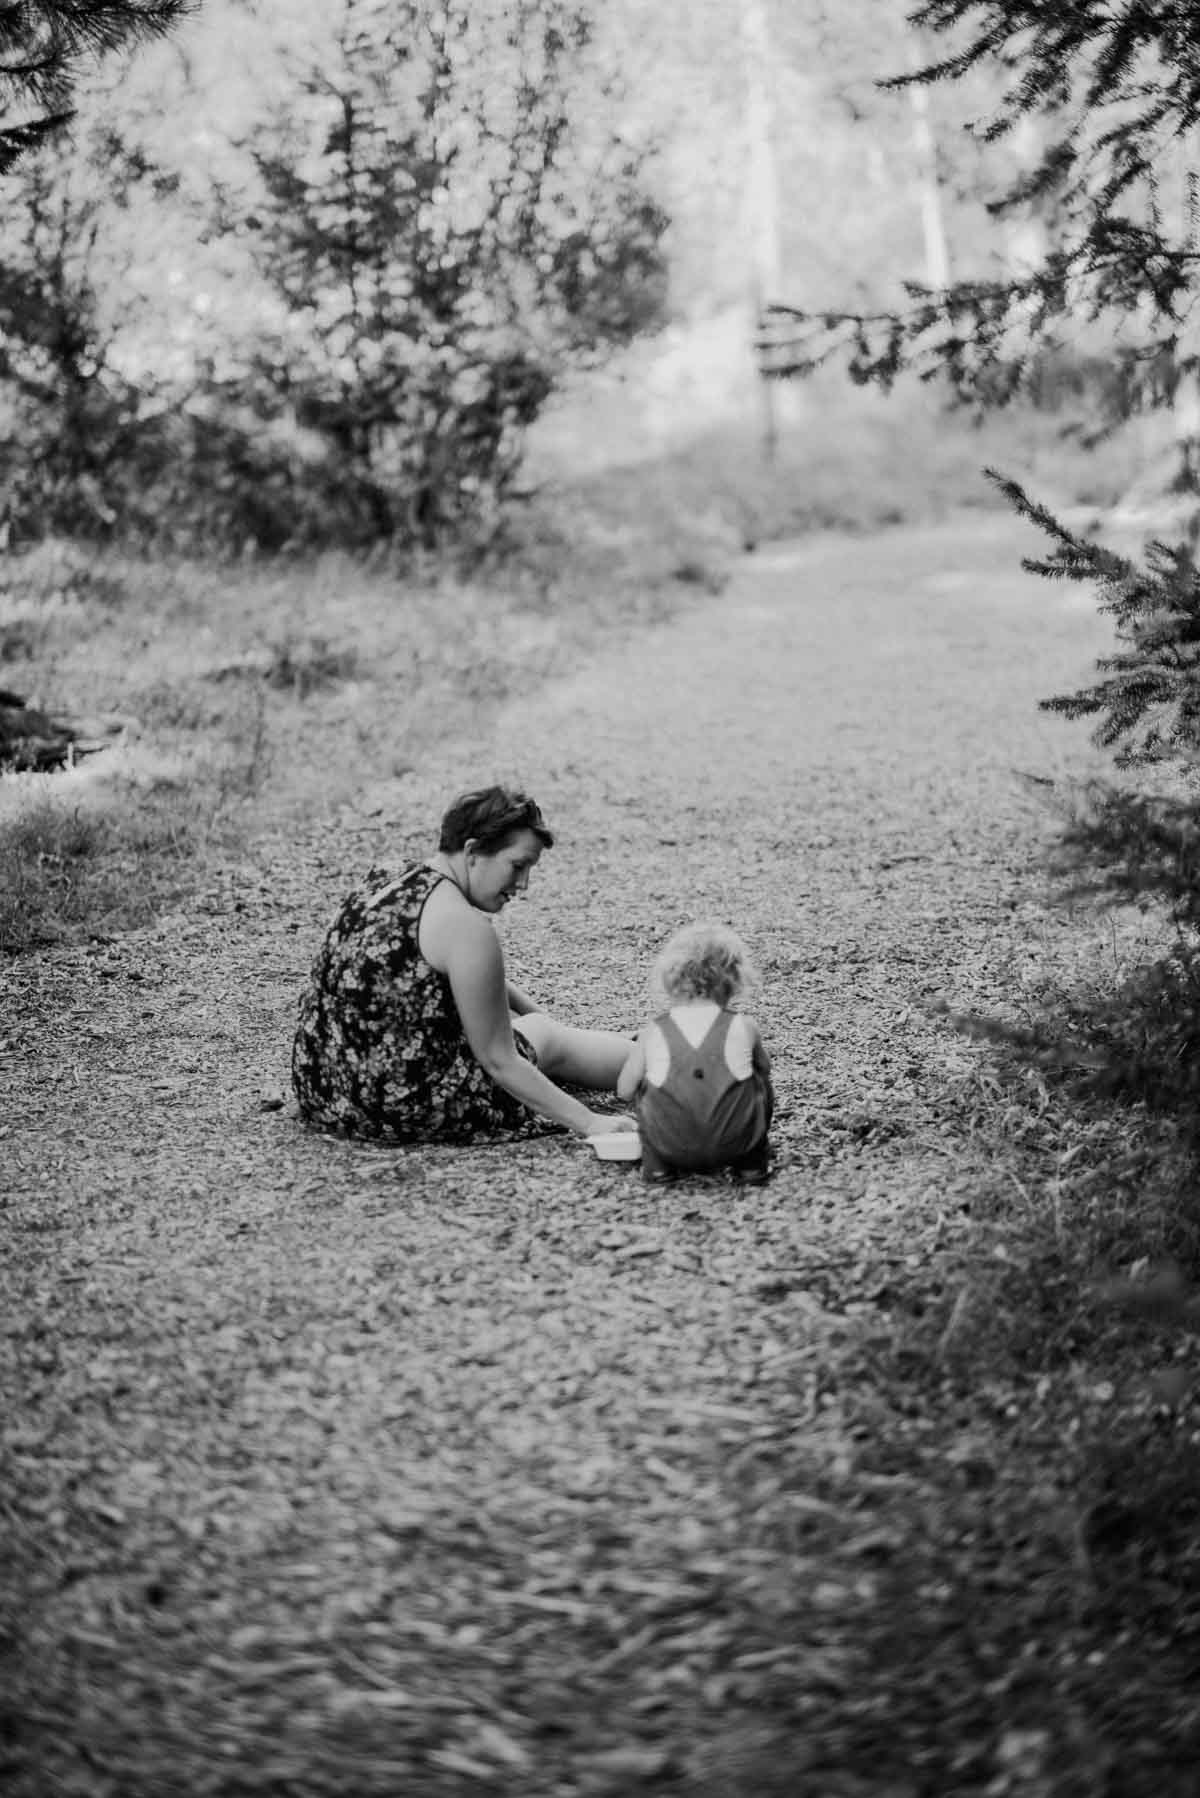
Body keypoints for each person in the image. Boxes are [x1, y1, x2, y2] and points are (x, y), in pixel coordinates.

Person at [291, 785, 638, 1143]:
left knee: (539, 1025)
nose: (524, 885)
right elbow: (498, 1060)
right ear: (473, 851)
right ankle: (663, 1060)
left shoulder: (389, 875)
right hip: (406, 1107)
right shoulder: (467, 928)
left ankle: (623, 1048)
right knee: (545, 1039)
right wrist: (591, 1123)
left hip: (326, 1088)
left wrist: (544, 1017)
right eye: (518, 866)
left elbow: (475, 983)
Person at [617, 922, 774, 1184]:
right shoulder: (744, 1026)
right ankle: (751, 1166)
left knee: (646, 1084)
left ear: (671, 978)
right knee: (758, 1079)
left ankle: (658, 1169)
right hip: (736, 1142)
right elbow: (765, 1070)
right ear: (733, 980)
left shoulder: (653, 1031)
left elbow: (624, 1090)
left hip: (670, 1144)